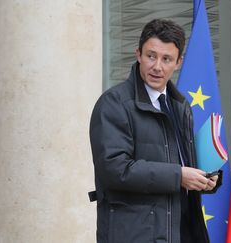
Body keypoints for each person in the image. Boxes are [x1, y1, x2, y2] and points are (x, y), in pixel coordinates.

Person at [89, 19, 222, 243]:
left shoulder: (180, 106)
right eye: (151, 56)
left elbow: (185, 163)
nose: (157, 66)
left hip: (182, 232)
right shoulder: (114, 103)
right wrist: (178, 176)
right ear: (138, 54)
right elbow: (114, 169)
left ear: (178, 62)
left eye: (166, 59)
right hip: (134, 235)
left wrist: (207, 179)